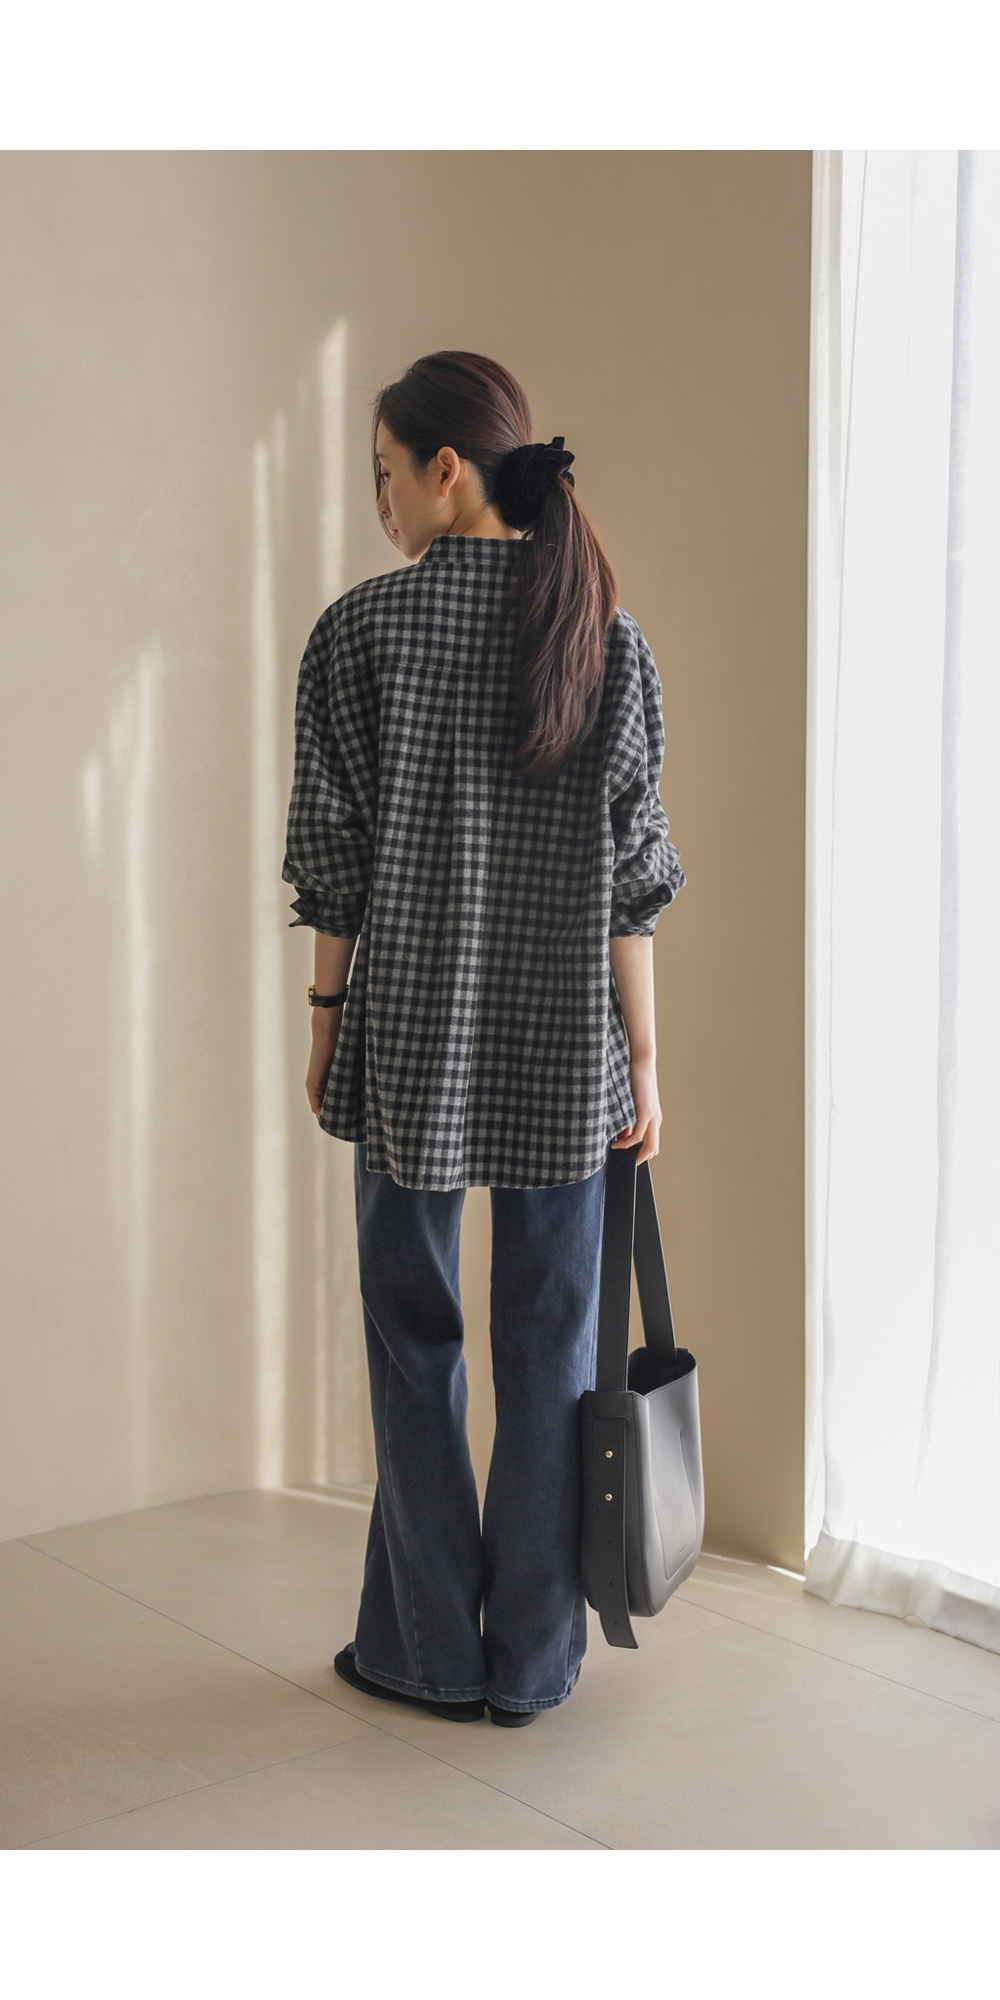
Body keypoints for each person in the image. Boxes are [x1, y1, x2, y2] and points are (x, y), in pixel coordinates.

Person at [281, 350, 686, 1726]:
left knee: (415, 1343)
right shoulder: (605, 635)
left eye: (385, 474)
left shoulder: (359, 633)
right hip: (568, 1056)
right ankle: (529, 1664)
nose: (381, 503)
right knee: (553, 1349)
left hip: (407, 1044)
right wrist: (646, 1061)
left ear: (446, 470)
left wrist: (327, 1020)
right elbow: (635, 879)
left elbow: (332, 863)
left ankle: (425, 1655)